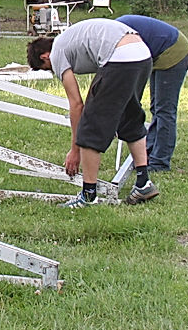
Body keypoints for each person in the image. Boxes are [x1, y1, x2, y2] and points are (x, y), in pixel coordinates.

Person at [26, 18, 160, 208]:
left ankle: (88, 196)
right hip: (142, 54)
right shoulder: (69, 39)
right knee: (129, 118)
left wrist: (75, 150)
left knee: (91, 126)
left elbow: (76, 104)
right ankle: (143, 183)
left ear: (44, 57)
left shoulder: (56, 53)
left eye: (48, 69)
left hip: (120, 57)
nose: (53, 71)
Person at [116, 15, 188, 172]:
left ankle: (160, 162)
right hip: (158, 52)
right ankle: (149, 151)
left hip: (174, 52)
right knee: (156, 107)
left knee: (165, 110)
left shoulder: (118, 35)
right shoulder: (113, 31)